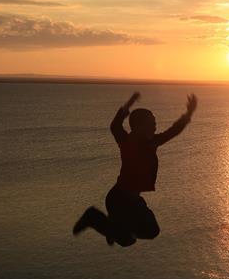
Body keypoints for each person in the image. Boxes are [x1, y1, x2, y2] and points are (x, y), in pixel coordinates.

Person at [73, 91, 198, 247]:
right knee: (128, 239)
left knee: (146, 233)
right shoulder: (126, 141)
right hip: (119, 199)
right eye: (151, 123)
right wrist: (129, 104)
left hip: (132, 200)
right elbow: (115, 125)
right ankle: (94, 218)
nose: (155, 125)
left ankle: (113, 228)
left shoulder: (152, 142)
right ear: (139, 126)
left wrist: (188, 113)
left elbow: (173, 131)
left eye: (155, 122)